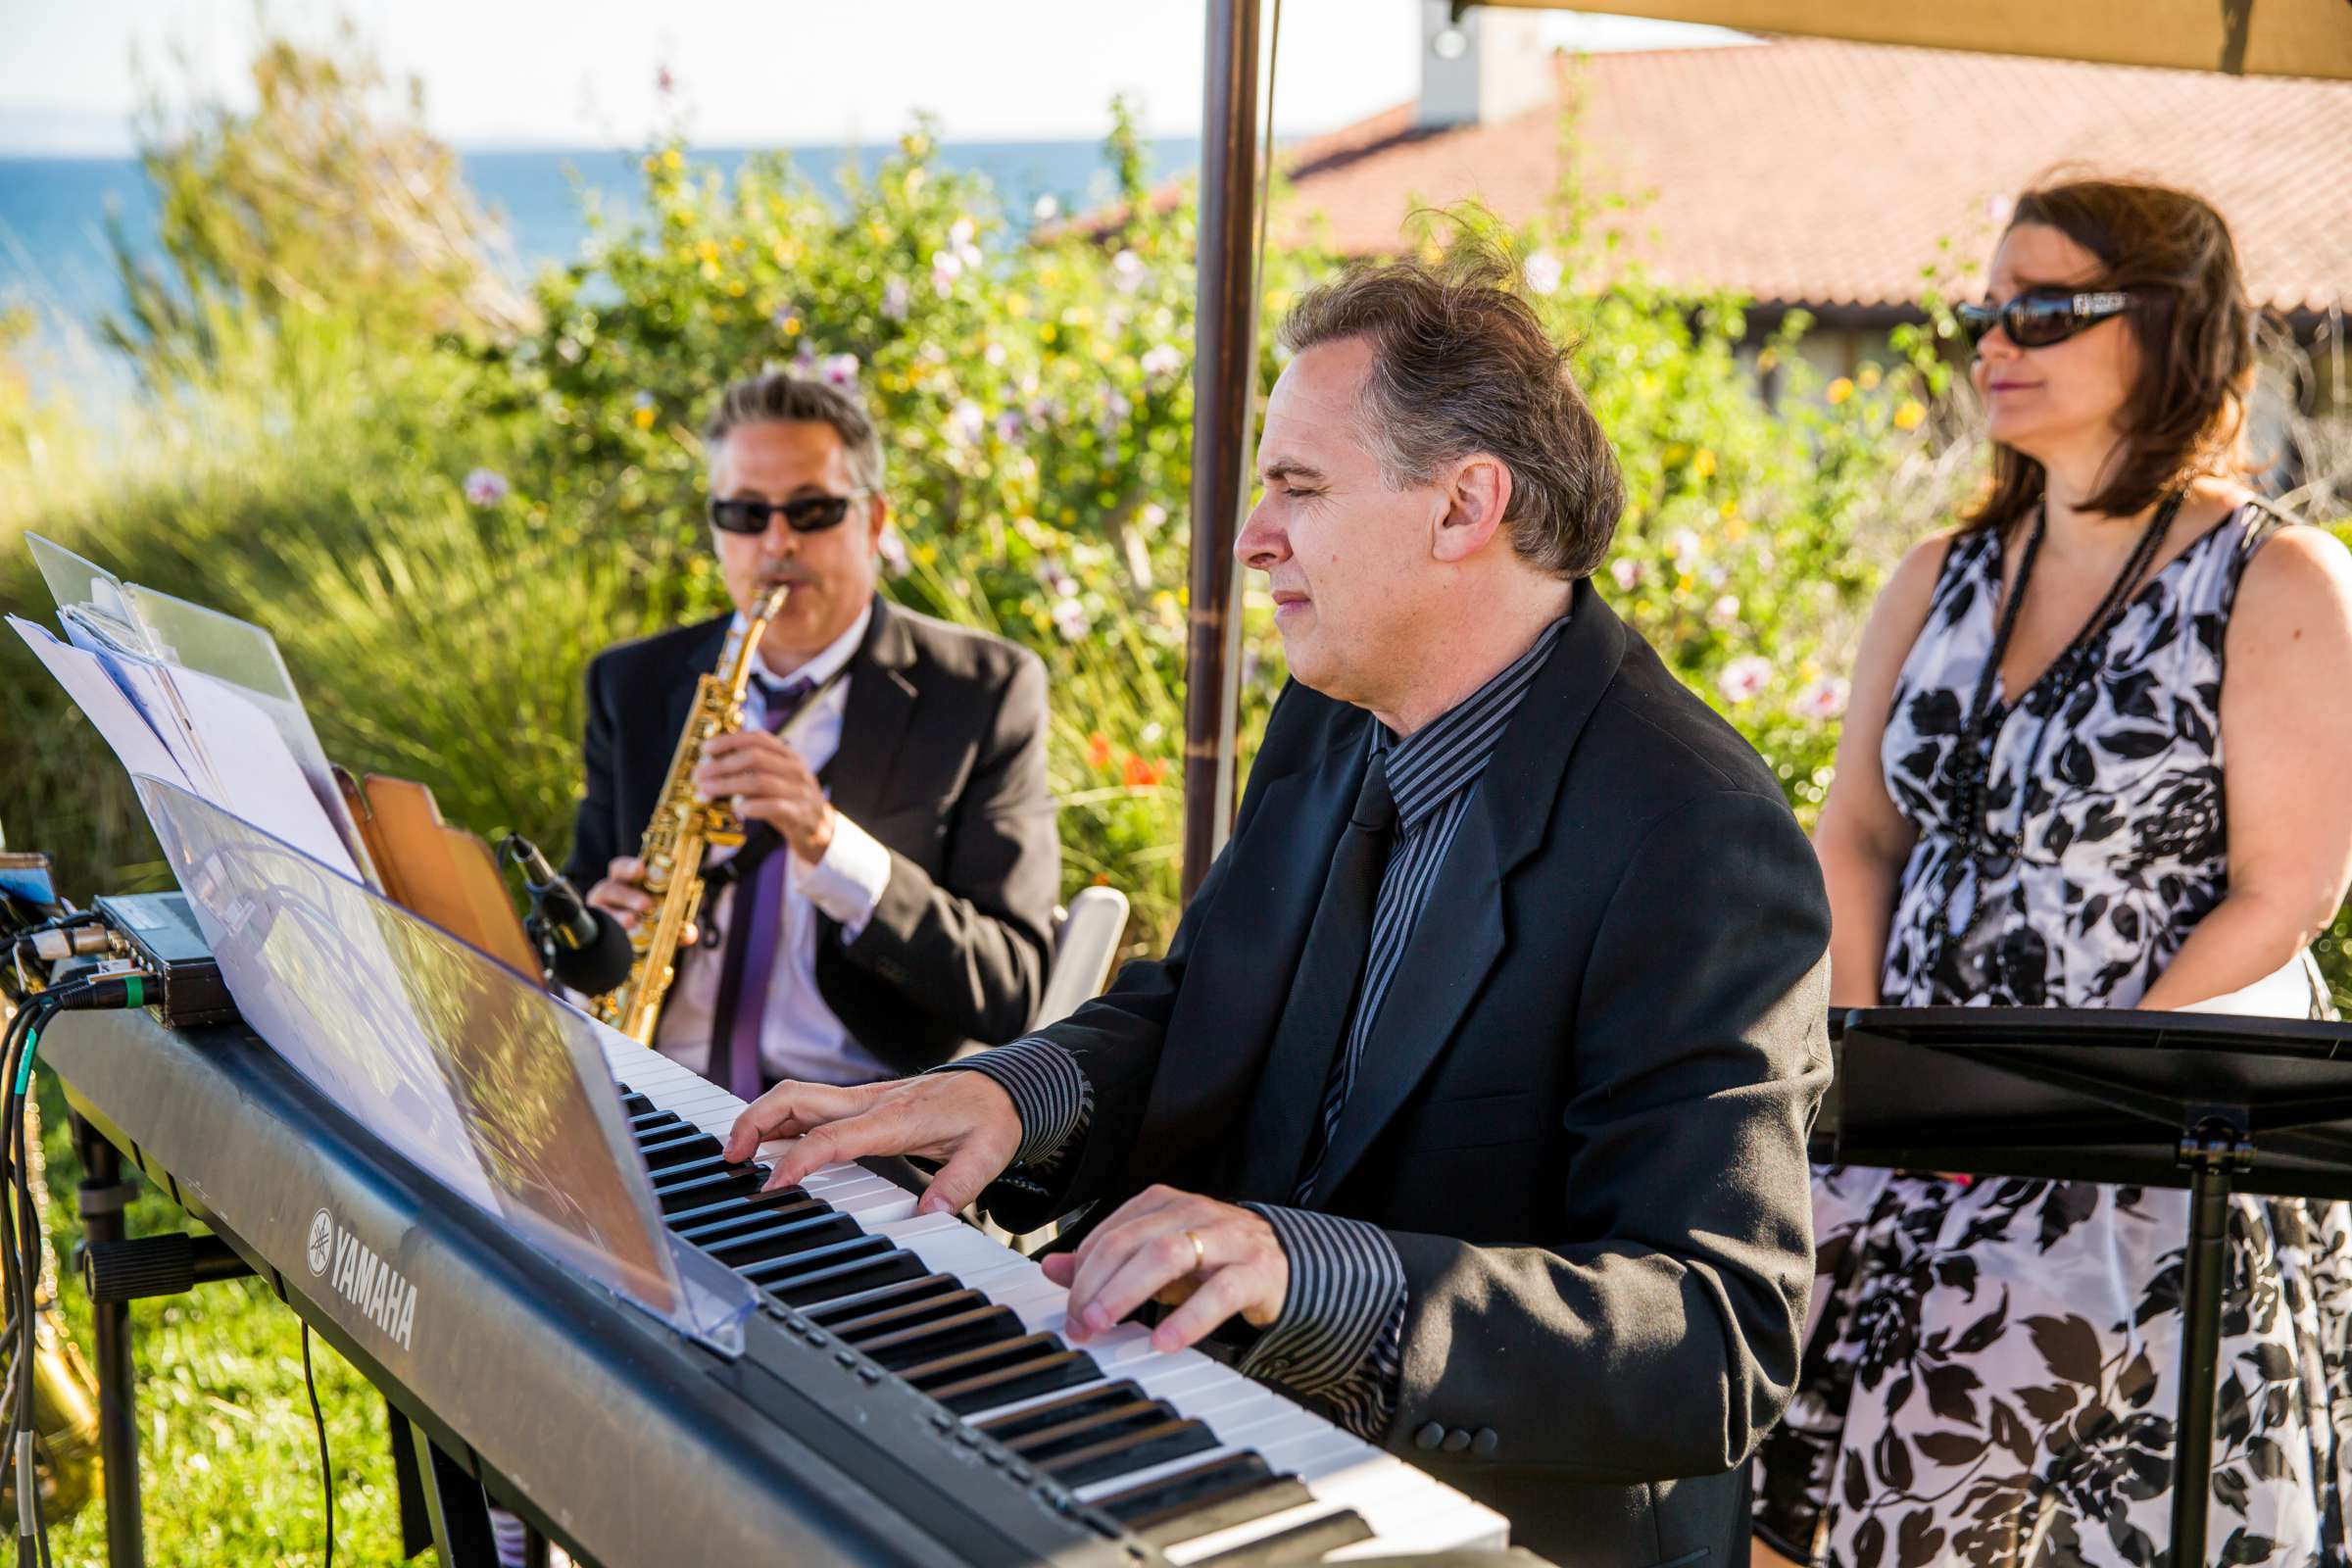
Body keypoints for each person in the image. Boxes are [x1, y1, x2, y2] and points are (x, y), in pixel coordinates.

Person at [721, 243, 1834, 1568]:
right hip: (1233, 1445)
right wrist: (1010, 1095)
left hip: (1490, 1533)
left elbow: (1717, 1337)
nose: (1252, 539)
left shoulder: (1698, 833)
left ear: (1464, 506)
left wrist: (1308, 1273)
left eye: (1297, 488)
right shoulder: (1329, 712)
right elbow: (1205, 1002)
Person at [1752, 179, 2352, 1568]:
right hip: (1903, 1121)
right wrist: (1868, 1085)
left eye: (2042, 307)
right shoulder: (1940, 575)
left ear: (2170, 329)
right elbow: (1855, 831)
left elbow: (2287, 892)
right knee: (1745, 1444)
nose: (1992, 339)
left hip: (2133, 1146)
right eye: (1986, 308)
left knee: (1938, 1492)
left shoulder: (2278, 584)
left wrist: (2049, 1103)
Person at [564, 371, 1060, 1092]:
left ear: (875, 521)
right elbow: (575, 915)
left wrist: (832, 847)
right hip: (646, 1095)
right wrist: (597, 938)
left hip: (853, 1132)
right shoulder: (631, 683)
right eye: (744, 513)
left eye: (813, 510)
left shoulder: (985, 690)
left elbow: (1010, 987)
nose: (777, 542)